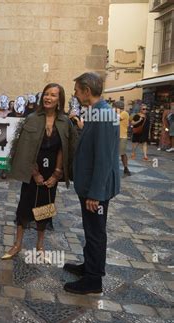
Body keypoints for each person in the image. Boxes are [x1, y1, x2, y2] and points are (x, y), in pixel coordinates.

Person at [2, 83, 77, 260]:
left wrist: (57, 174)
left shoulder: (65, 122)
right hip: (32, 169)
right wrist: (35, 173)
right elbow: (26, 148)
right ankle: (17, 245)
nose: (48, 98)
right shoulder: (32, 118)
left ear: (60, 99)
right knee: (24, 208)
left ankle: (40, 246)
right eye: (46, 94)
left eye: (53, 95)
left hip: (52, 169)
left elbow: (63, 148)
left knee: (45, 208)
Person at [63, 72, 120, 294]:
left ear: (87, 91)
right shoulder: (96, 112)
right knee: (91, 229)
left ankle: (93, 280)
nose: (75, 94)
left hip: (97, 190)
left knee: (96, 232)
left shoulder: (104, 115)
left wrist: (95, 194)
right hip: (90, 186)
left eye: (77, 90)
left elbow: (104, 158)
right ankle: (89, 266)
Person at [114, 101, 131, 176]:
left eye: (114, 107)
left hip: (122, 136)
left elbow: (117, 119)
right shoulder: (117, 113)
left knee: (122, 153)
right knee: (114, 153)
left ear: (117, 108)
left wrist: (116, 112)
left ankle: (126, 168)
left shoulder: (124, 113)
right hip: (116, 136)